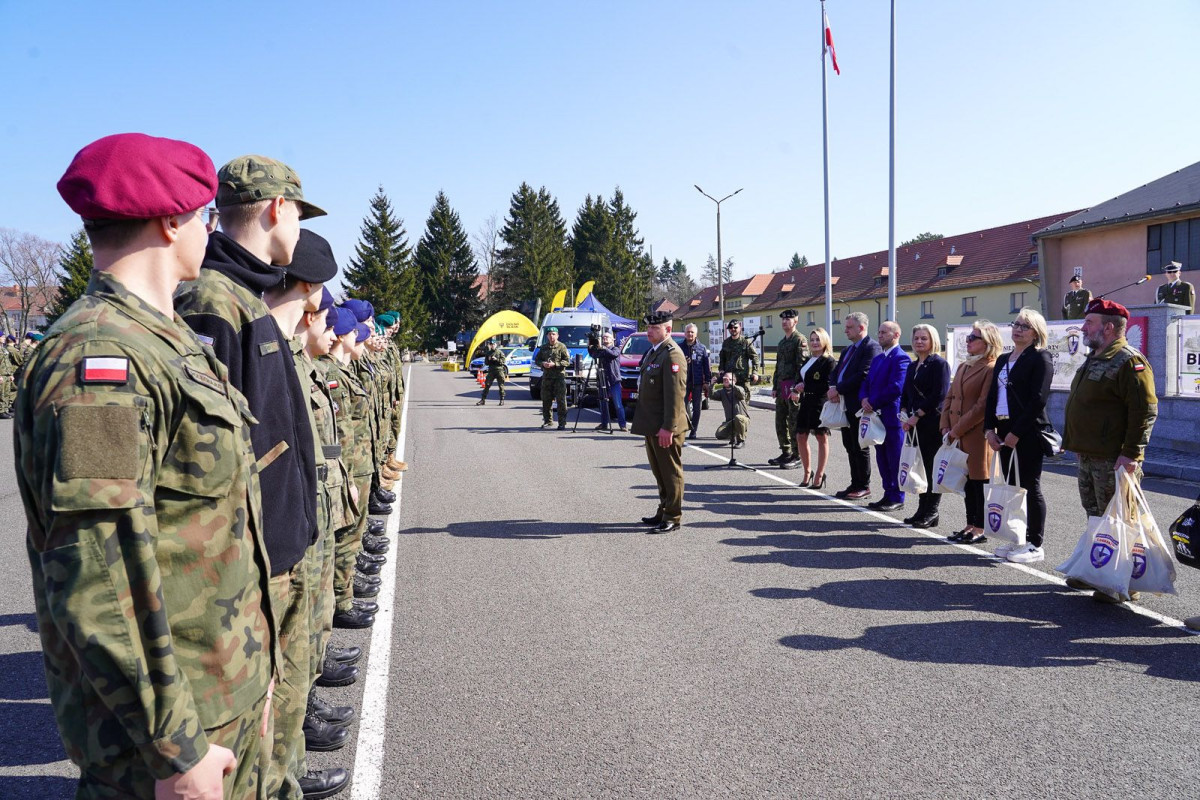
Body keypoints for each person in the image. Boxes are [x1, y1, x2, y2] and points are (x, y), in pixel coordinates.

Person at [20, 132, 274, 799]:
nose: (210, 231)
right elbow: (96, 571)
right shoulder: (102, 361)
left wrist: (256, 676)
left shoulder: (161, 342)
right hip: (162, 744)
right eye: (206, 216)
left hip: (221, 695)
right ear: (171, 221)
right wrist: (177, 751)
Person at [172, 154, 337, 799]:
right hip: (249, 561)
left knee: (270, 720)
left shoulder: (242, 298)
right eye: (297, 213)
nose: (297, 228)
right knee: (251, 730)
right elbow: (207, 459)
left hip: (277, 548)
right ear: (276, 210)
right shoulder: (214, 302)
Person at [1063, 298, 1158, 602]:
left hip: (1114, 459)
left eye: (1089, 323)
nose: (1083, 327)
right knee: (1096, 517)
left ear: (1108, 327)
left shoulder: (1129, 361)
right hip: (1090, 454)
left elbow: (1145, 411)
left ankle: (1120, 583)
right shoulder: (1096, 357)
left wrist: (1131, 454)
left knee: (1119, 519)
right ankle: (1097, 570)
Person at [985, 307, 1054, 563]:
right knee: (1013, 487)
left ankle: (1035, 543)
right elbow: (992, 396)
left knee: (1030, 486)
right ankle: (1018, 538)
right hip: (1002, 430)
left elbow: (1038, 400)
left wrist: (1016, 432)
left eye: (1024, 326)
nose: (1018, 329)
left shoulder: (1041, 358)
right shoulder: (1003, 359)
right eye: (1016, 324)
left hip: (1027, 432)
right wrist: (989, 429)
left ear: (1036, 333)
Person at [940, 321, 1002, 544]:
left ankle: (980, 527)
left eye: (973, 338)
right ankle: (970, 523)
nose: (968, 341)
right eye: (968, 337)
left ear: (988, 342)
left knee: (979, 482)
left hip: (976, 435)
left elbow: (982, 407)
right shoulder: (964, 365)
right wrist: (945, 425)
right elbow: (950, 397)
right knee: (966, 481)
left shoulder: (991, 367)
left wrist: (956, 430)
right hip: (958, 433)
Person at [631, 309, 689, 532]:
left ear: (668, 330)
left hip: (665, 426)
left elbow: (675, 395)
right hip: (653, 424)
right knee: (659, 472)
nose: (649, 332)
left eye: (655, 328)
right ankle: (663, 509)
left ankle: (673, 516)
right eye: (648, 327)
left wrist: (669, 427)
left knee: (670, 472)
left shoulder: (672, 354)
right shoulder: (655, 351)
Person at [899, 324, 950, 527]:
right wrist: (903, 411)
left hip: (930, 423)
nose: (919, 341)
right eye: (917, 338)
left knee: (931, 467)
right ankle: (921, 508)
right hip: (912, 424)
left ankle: (932, 511)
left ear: (933, 341)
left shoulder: (939, 364)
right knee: (918, 467)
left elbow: (940, 395)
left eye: (924, 338)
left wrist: (918, 415)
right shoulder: (913, 365)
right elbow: (906, 392)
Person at [829, 312, 882, 500]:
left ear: (861, 328)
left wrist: (839, 389)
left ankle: (864, 485)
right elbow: (836, 372)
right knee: (849, 445)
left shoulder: (871, 347)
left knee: (860, 446)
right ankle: (855, 482)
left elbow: (863, 374)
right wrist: (833, 386)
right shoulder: (847, 350)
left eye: (849, 327)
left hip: (858, 404)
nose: (845, 330)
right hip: (844, 404)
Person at [860, 321, 909, 511]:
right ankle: (887, 493)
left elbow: (897, 387)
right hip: (876, 416)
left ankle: (897, 496)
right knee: (882, 458)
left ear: (896, 335)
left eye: (884, 332)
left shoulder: (901, 358)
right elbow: (866, 382)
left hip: (891, 417)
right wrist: (864, 398)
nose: (879, 335)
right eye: (879, 332)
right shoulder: (878, 358)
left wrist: (873, 401)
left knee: (894, 459)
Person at [789, 327, 837, 488]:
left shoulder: (829, 361)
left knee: (820, 437)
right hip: (806, 402)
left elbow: (826, 385)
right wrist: (796, 387)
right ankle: (807, 472)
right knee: (800, 436)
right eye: (812, 339)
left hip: (820, 402)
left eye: (818, 339)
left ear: (825, 341)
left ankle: (819, 473)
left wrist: (805, 385)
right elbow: (798, 378)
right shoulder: (807, 359)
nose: (815, 342)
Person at [769, 309, 809, 467]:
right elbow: (778, 367)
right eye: (783, 319)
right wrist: (774, 386)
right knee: (780, 422)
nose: (785, 321)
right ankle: (786, 452)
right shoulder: (782, 342)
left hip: (792, 388)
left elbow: (802, 366)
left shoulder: (799, 340)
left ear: (796, 321)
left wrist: (797, 389)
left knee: (793, 422)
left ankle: (797, 454)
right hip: (781, 388)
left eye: (789, 319)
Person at [587, 330, 626, 431]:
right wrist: (590, 346)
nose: (605, 339)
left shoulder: (616, 349)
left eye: (607, 337)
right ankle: (604, 424)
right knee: (603, 404)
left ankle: (623, 425)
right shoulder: (601, 349)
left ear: (612, 339)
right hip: (602, 380)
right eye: (603, 337)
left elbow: (612, 354)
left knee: (618, 404)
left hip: (614, 380)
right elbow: (593, 355)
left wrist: (602, 347)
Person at [680, 323, 711, 439]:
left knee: (697, 408)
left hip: (697, 383)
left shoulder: (701, 348)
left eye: (692, 332)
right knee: (682, 407)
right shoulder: (679, 348)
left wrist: (707, 381)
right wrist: (684, 363)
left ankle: (694, 430)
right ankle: (683, 429)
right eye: (688, 332)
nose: (690, 334)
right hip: (683, 382)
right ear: (685, 333)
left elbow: (706, 367)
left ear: (696, 334)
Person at [535, 327, 571, 429]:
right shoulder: (544, 347)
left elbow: (567, 361)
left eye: (554, 334)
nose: (552, 336)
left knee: (561, 401)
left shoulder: (562, 347)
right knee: (546, 400)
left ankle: (562, 423)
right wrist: (543, 364)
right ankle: (548, 421)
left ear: (557, 335)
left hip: (559, 378)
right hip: (547, 378)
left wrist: (555, 364)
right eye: (550, 334)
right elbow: (537, 360)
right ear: (547, 336)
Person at [712, 372, 750, 448]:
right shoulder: (722, 391)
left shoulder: (739, 389)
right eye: (724, 379)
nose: (726, 381)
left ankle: (741, 441)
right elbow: (711, 395)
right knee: (719, 434)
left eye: (728, 379)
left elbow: (741, 394)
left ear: (734, 381)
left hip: (742, 420)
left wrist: (732, 385)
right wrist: (712, 385)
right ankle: (733, 435)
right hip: (730, 421)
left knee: (738, 418)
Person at [718, 318, 758, 386]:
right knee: (728, 396)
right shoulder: (726, 342)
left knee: (743, 396)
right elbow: (722, 357)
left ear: (740, 328)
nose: (733, 329)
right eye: (730, 328)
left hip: (742, 377)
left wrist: (755, 372)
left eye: (735, 327)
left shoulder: (745, 342)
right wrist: (721, 369)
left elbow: (754, 357)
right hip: (729, 378)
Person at [476, 340, 508, 406]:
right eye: (491, 344)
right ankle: (483, 400)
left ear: (496, 345)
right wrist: (489, 359)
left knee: (501, 385)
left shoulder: (500, 352)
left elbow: (503, 361)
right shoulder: (488, 353)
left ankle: (502, 400)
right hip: (491, 371)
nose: (492, 345)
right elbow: (486, 363)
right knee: (487, 385)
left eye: (493, 344)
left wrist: (496, 359)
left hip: (499, 370)